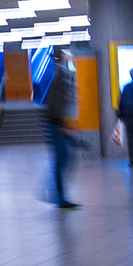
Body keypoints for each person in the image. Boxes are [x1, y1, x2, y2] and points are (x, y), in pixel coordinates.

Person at [42, 48, 78, 208]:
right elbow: (56, 105)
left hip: (56, 123)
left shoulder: (60, 78)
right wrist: (63, 125)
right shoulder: (60, 79)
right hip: (56, 124)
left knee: (63, 159)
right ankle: (58, 195)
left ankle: (58, 193)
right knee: (62, 159)